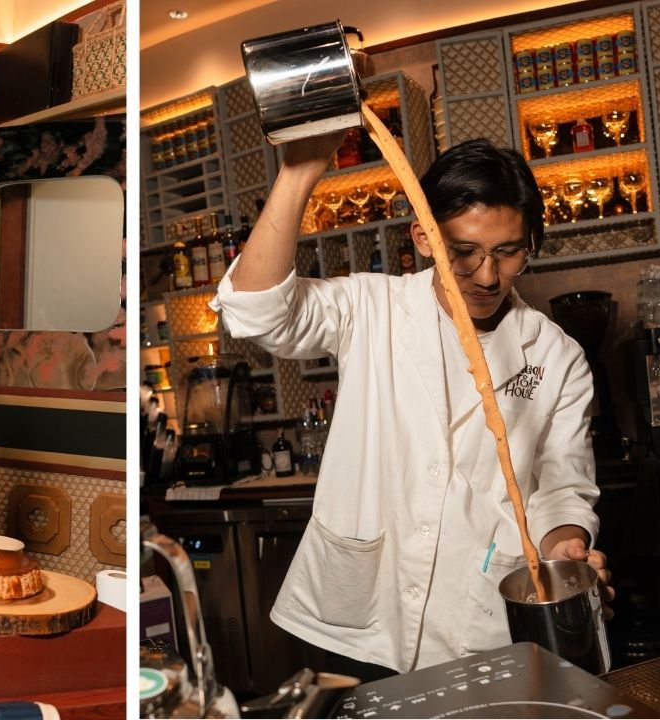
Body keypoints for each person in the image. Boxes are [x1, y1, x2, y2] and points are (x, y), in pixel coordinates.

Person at [210, 136, 612, 678]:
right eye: (464, 251)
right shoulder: (373, 308)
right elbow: (254, 311)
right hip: (366, 613)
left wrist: (565, 544)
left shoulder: (558, 358)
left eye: (508, 251)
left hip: (478, 616)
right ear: (423, 237)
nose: (487, 275)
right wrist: (299, 172)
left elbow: (561, 487)